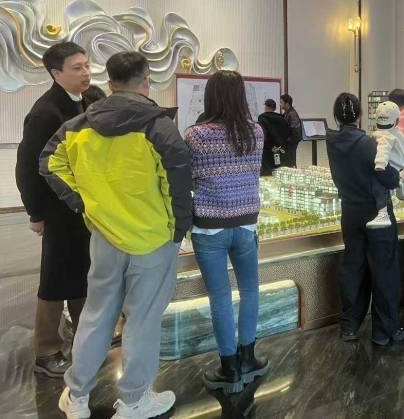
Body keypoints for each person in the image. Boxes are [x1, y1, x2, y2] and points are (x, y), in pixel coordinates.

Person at [43, 52, 193, 419]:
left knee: (96, 315)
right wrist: (178, 231)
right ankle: (134, 401)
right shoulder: (160, 128)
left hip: (105, 236)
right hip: (153, 239)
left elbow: (49, 163)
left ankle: (76, 397)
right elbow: (177, 186)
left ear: (110, 84)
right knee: (142, 320)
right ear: (147, 82)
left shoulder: (76, 127)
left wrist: (84, 202)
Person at [185, 71, 269, 394]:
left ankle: (229, 367)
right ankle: (249, 358)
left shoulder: (196, 135)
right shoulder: (256, 132)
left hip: (209, 228)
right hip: (246, 224)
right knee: (250, 292)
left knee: (220, 297)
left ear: (210, 96)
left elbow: (189, 177)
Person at [15, 42, 92, 378]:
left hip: (82, 206)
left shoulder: (87, 102)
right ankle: (46, 350)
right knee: (56, 276)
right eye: (77, 68)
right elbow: (27, 167)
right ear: (56, 73)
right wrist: (35, 213)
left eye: (86, 65)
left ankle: (84, 335)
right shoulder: (46, 112)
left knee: (82, 270)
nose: (86, 73)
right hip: (57, 208)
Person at [326, 93, 404, 346]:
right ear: (361, 115)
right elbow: (389, 178)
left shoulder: (331, 141)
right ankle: (384, 331)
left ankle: (349, 325)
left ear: (336, 116)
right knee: (384, 270)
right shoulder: (369, 143)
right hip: (376, 212)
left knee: (353, 268)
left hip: (349, 212)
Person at [366, 101, 404, 229]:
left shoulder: (384, 136)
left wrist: (380, 165)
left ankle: (383, 213)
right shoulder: (398, 133)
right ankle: (400, 181)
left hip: (387, 166)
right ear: (397, 121)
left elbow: (383, 151)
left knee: (378, 186)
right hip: (398, 165)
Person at [257, 98, 291, 176]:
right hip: (280, 149)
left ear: (266, 107)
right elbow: (286, 133)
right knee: (279, 169)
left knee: (267, 173)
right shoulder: (282, 118)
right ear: (275, 108)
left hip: (267, 150)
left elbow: (262, 134)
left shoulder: (261, 118)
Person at [280, 94, 301, 167]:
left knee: (291, 163)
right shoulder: (286, 113)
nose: (280, 104)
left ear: (287, 104)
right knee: (287, 162)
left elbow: (295, 132)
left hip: (291, 143)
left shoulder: (292, 114)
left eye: (281, 102)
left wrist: (287, 140)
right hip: (288, 143)